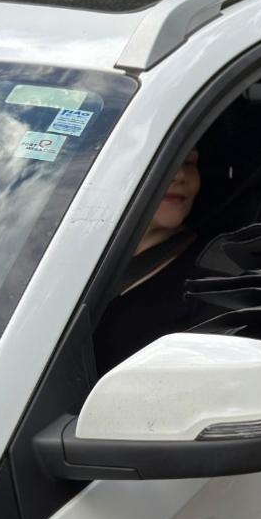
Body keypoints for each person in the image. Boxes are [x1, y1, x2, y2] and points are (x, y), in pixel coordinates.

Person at [94, 150, 201, 372]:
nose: (180, 175)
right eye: (163, 160)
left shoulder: (212, 275)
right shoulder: (63, 255)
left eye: (189, 162)